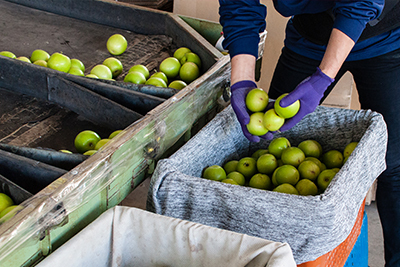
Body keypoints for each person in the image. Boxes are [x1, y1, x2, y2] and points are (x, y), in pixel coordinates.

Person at [219, 0, 400, 266]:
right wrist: (242, 78)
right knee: (272, 148)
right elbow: (239, 4)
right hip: (310, 40)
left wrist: (322, 78)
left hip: (384, 40)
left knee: (394, 164)